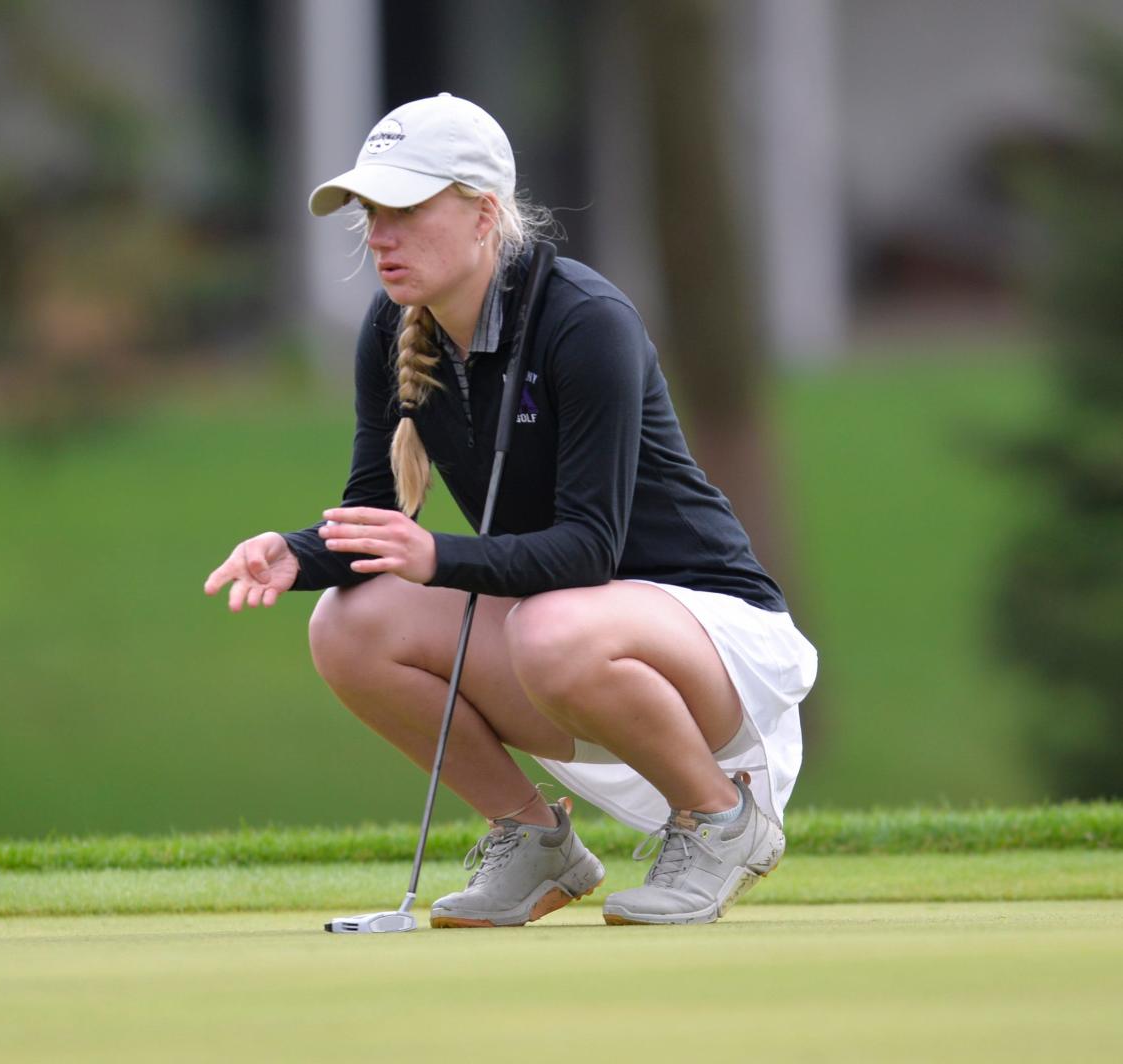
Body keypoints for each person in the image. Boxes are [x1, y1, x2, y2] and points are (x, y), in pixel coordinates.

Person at [204, 93, 817, 928]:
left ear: (484, 213)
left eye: (407, 210)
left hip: (716, 643)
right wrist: (298, 554)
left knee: (551, 626)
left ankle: (720, 819)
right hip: (568, 644)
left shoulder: (585, 321)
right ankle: (534, 841)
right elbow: (375, 521)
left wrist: (437, 558)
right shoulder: (392, 328)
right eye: (371, 213)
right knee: (347, 626)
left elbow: (588, 552)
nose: (381, 236)